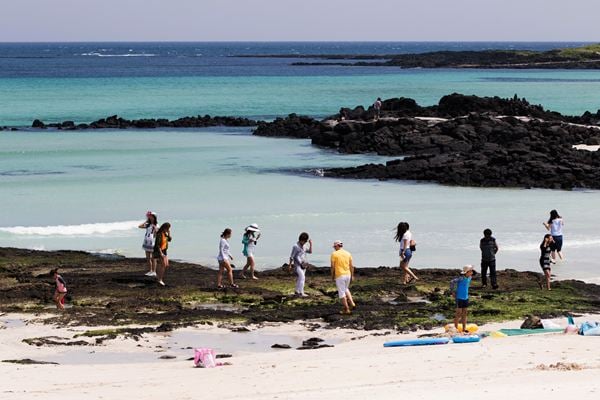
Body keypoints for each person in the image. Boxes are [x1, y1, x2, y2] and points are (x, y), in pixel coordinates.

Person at [330, 240, 356, 315]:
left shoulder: (334, 254)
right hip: (348, 274)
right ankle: (352, 303)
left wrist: (332, 276)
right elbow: (351, 266)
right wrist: (352, 275)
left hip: (340, 275)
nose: (334, 248)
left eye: (335, 246)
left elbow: (332, 267)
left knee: (341, 293)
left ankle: (346, 309)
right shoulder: (348, 253)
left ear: (337, 246)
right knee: (345, 289)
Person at [450, 265, 475, 333]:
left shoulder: (470, 277)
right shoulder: (461, 278)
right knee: (458, 313)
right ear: (466, 272)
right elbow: (452, 282)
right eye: (470, 271)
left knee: (465, 313)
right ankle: (456, 329)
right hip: (459, 297)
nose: (472, 272)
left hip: (466, 297)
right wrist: (452, 292)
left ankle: (464, 329)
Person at [288, 232, 313, 297]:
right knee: (302, 277)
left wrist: (311, 244)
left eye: (305, 241)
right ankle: (301, 292)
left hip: (304, 265)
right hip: (297, 265)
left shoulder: (304, 246)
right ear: (300, 240)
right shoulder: (295, 246)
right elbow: (292, 256)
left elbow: (310, 252)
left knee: (300, 278)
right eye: (303, 241)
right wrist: (290, 265)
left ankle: (297, 291)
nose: (304, 243)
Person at [139, 211, 158, 277]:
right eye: (149, 216)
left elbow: (157, 234)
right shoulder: (148, 224)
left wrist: (155, 229)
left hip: (152, 242)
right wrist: (146, 221)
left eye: (151, 216)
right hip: (146, 241)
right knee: (148, 258)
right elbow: (140, 226)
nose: (150, 217)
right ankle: (150, 271)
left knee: (153, 258)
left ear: (154, 217)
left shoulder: (156, 225)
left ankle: (154, 271)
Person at [153, 222, 172, 286]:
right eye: (167, 228)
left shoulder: (165, 234)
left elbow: (169, 240)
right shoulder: (159, 234)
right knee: (163, 265)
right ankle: (160, 279)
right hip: (160, 251)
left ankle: (158, 278)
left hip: (164, 250)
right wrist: (160, 253)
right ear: (164, 228)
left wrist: (169, 233)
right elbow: (157, 245)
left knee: (163, 265)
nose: (168, 230)